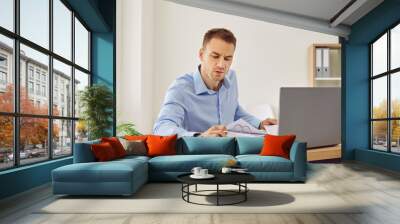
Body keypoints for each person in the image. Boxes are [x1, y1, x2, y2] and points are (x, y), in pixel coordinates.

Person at [153, 28, 277, 137]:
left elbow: (234, 110)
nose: (221, 65)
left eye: (228, 58)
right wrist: (200, 136)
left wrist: (259, 123)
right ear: (202, 55)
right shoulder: (181, 88)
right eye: (215, 56)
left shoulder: (231, 78)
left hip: (228, 153)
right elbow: (162, 128)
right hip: (198, 155)